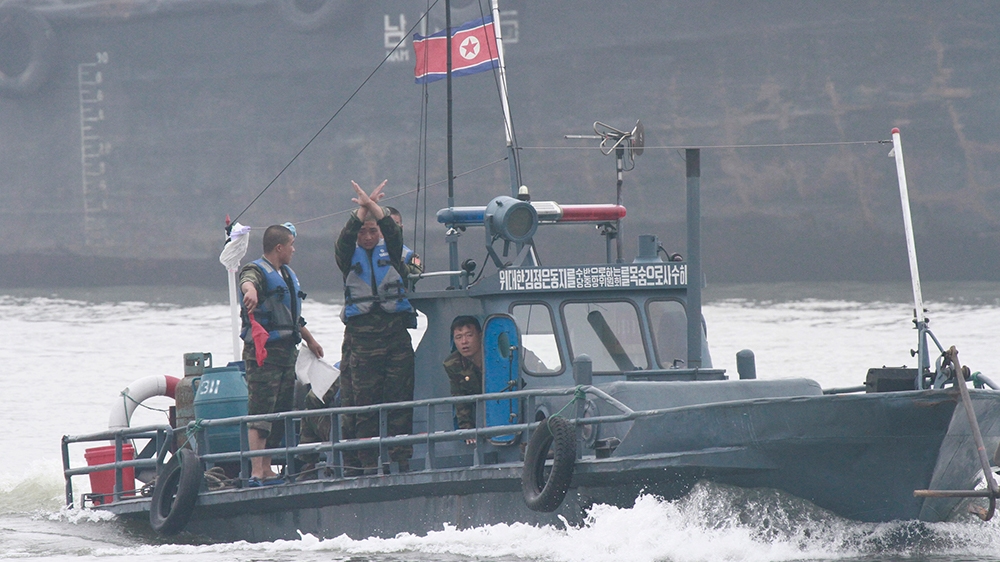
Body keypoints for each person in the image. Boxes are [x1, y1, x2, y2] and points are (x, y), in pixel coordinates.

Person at [335, 180, 416, 474]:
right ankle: (368, 463)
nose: (367, 236)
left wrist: (375, 209)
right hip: (362, 340)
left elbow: (394, 235)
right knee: (364, 406)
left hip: (395, 336)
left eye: (373, 230)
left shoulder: (392, 252)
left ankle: (401, 459)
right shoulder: (347, 258)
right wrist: (360, 210)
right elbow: (343, 241)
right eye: (363, 231)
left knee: (400, 400)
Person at [239, 223, 323, 485]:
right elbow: (247, 280)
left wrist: (310, 341)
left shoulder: (286, 275)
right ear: (279, 247)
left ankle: (268, 468)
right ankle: (256, 471)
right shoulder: (258, 270)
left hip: (287, 352)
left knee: (280, 411)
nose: (293, 250)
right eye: (291, 245)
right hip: (264, 354)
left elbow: (293, 317)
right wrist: (250, 291)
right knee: (261, 412)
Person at [442, 315, 483, 444]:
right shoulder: (452, 364)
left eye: (469, 335)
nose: (464, 342)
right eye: (458, 337)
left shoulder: (496, 354)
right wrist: (467, 429)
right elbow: (459, 399)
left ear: (480, 336)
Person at [385, 206, 423, 280]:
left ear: (401, 227)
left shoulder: (409, 255)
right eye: (388, 224)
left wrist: (397, 259)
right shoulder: (367, 250)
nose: (392, 228)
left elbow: (415, 275)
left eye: (395, 224)